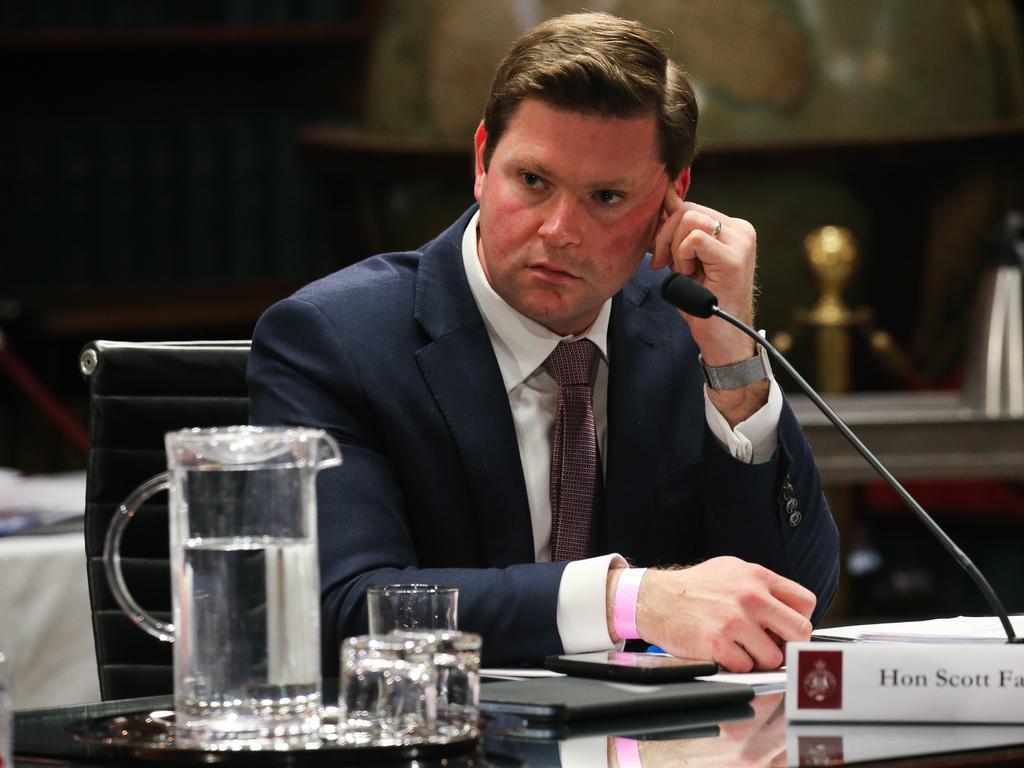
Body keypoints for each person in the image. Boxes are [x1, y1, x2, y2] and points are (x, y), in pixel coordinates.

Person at [249, 11, 838, 673]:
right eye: (533, 182)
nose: (559, 229)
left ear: (673, 199)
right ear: (481, 161)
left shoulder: (687, 338)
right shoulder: (335, 341)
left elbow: (797, 601)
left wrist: (734, 366)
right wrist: (628, 599)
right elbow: (342, 610)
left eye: (607, 197)